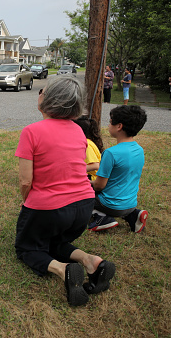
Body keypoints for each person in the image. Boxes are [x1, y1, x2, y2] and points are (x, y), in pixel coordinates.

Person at [15, 76, 115, 307]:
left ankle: (63, 269)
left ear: (49, 99)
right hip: (83, 205)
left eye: (43, 90)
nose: (39, 93)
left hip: (49, 208)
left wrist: (28, 203)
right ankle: (91, 261)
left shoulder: (31, 132)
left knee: (27, 248)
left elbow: (24, 179)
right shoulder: (79, 131)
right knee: (53, 242)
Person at [89, 105, 148, 233]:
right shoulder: (139, 150)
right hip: (131, 204)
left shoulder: (111, 153)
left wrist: (87, 183)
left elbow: (99, 186)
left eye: (110, 122)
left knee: (80, 194)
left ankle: (102, 217)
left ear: (119, 126)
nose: (109, 125)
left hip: (109, 205)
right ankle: (133, 215)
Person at [73, 116, 104, 181]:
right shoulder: (87, 142)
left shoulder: (86, 144)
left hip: (92, 180)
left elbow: (95, 165)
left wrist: (75, 170)